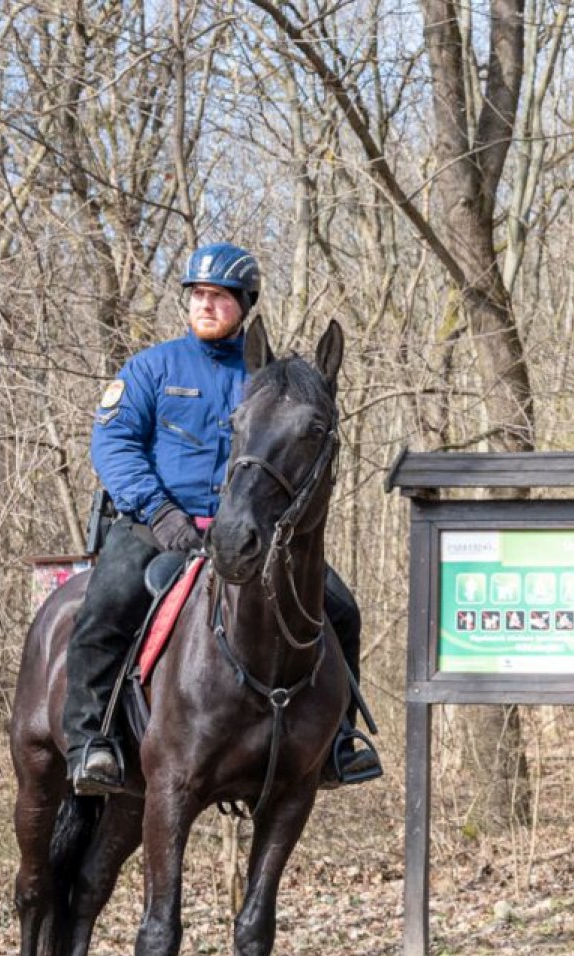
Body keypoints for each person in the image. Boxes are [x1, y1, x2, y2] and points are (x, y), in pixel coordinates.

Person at [63, 241, 382, 796]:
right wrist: (160, 513)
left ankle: (337, 743)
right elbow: (113, 445)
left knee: (340, 609)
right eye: (197, 295)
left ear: (245, 303)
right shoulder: (151, 368)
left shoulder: (265, 378)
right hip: (156, 524)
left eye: (219, 296)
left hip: (253, 534)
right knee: (106, 602)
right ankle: (90, 742)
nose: (205, 305)